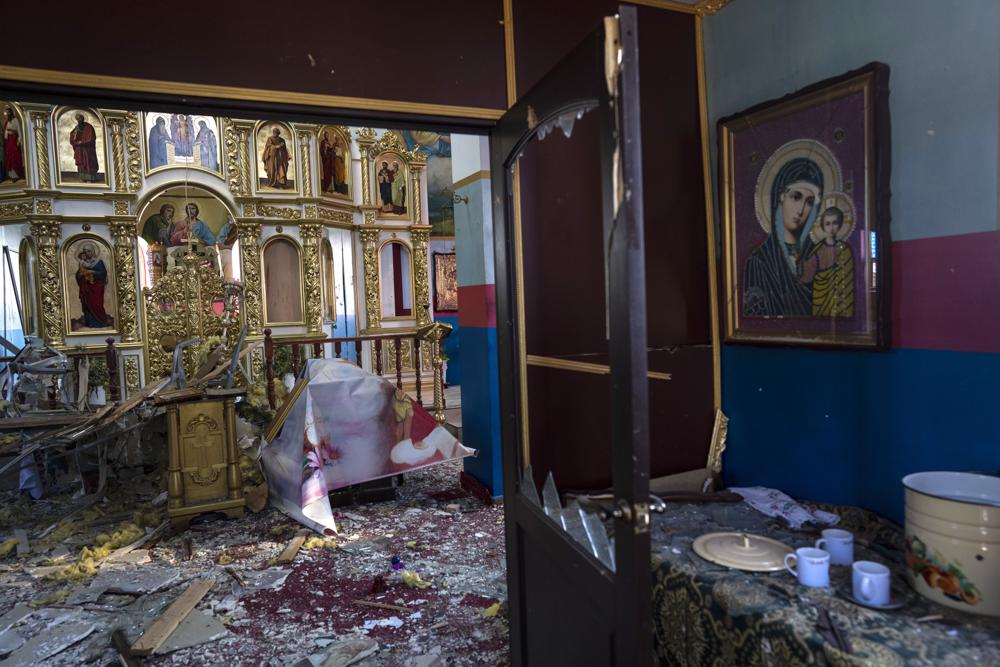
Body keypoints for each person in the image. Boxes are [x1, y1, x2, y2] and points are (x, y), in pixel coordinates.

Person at [743, 157, 823, 317]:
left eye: (809, 202)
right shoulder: (759, 262)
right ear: (780, 197)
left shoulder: (819, 254)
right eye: (796, 197)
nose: (801, 210)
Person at [800, 205, 854, 317]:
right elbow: (806, 276)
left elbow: (848, 280)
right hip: (821, 302)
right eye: (828, 224)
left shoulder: (845, 250)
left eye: (835, 223)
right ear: (823, 226)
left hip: (841, 304)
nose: (831, 228)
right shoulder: (818, 251)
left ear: (840, 225)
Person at [75, 242, 111, 329]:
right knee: (87, 305)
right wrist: (80, 275)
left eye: (88, 251)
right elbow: (78, 275)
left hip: (97, 288)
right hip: (87, 288)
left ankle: (100, 322)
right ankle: (89, 323)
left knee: (97, 304)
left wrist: (92, 272)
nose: (86, 253)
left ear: (92, 252)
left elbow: (103, 273)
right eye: (85, 251)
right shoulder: (82, 263)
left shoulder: (98, 262)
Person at [69, 113, 100, 182]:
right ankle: (83, 178)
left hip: (88, 149)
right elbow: (72, 136)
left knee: (89, 163)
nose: (78, 120)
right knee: (82, 164)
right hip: (80, 149)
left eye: (79, 118)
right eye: (77, 119)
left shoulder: (89, 127)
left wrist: (82, 142)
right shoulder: (77, 127)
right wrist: (75, 137)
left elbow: (91, 137)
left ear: (83, 118)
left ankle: (91, 178)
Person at [2, 107, 23, 182]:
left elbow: (19, 131)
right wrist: (6, 133)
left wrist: (19, 140)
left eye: (8, 113)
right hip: (9, 142)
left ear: (11, 113)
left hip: (14, 140)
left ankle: (17, 175)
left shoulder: (15, 120)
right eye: (6, 113)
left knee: (15, 157)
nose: (7, 114)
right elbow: (5, 132)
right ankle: (11, 176)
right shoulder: (7, 122)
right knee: (9, 158)